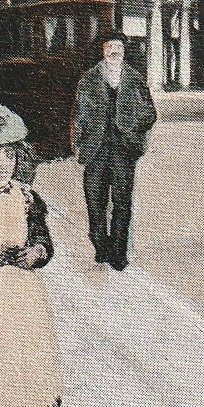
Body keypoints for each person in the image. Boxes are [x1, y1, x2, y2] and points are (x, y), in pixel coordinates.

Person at [0, 105, 65, 407]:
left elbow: (43, 239)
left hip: (23, 294)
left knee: (24, 349)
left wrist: (38, 251)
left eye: (9, 156)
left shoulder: (26, 198)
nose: (2, 165)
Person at [75, 32, 158, 270]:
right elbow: (77, 116)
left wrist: (131, 129)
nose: (114, 51)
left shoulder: (135, 79)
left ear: (124, 51)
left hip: (123, 150)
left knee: (122, 203)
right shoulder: (88, 79)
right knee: (95, 202)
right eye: (110, 47)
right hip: (95, 150)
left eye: (118, 47)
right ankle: (101, 246)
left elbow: (149, 114)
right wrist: (79, 144)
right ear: (103, 51)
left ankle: (119, 252)